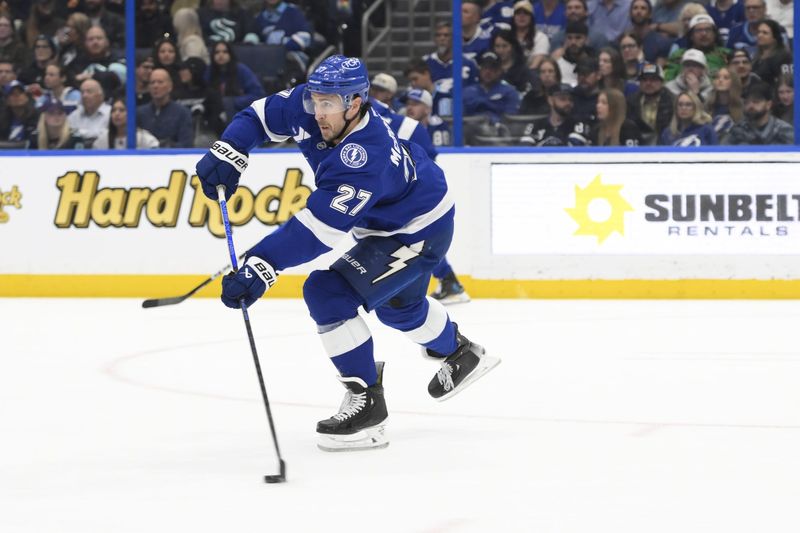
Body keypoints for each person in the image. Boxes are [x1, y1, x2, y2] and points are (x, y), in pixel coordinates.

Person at [194, 55, 500, 451]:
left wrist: (262, 265)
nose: (318, 111)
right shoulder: (312, 104)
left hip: (417, 230)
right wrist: (229, 149)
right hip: (403, 214)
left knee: (327, 293)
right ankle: (462, 353)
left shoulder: (364, 156)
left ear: (355, 103)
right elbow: (259, 115)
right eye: (316, 100)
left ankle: (368, 406)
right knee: (398, 308)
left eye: (328, 104)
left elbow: (319, 230)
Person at [137, 67, 194, 147]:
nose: (155, 86)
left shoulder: (182, 113)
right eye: (152, 82)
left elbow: (186, 144)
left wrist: (166, 146)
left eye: (160, 82)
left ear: (170, 86)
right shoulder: (140, 113)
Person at [206, 41, 266, 116]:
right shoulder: (209, 71)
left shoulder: (241, 69)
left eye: (225, 52)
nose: (221, 55)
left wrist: (234, 102)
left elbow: (258, 95)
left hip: (240, 112)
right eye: (217, 52)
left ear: (230, 54)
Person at [520, 83, 591, 145]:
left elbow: (574, 150)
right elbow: (524, 151)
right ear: (550, 100)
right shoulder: (535, 126)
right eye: (563, 99)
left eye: (570, 99)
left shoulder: (578, 124)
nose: (568, 103)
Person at [724, 80, 794, 144]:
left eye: (756, 102)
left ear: (768, 105)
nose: (750, 106)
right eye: (747, 102)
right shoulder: (737, 131)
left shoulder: (784, 131)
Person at [463, 51, 521, 122]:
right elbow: (461, 119)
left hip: (498, 130)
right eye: (485, 67)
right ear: (480, 69)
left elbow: (511, 119)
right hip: (471, 130)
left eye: (492, 68)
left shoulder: (509, 92)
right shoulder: (468, 92)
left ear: (499, 70)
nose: (488, 72)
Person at [626, 62, 674, 144]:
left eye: (653, 79)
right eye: (644, 79)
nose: (648, 83)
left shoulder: (672, 102)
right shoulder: (630, 102)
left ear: (662, 82)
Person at [93, 97, 160, 149]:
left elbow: (156, 151)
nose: (117, 114)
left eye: (122, 110)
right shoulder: (103, 139)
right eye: (113, 110)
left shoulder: (142, 137)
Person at [704, 66, 743, 141]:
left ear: (734, 82)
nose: (720, 80)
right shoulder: (706, 107)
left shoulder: (743, 107)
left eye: (726, 78)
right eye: (717, 77)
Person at [66, 78, 110, 144]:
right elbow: (66, 133)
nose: (84, 96)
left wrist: (80, 132)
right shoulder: (74, 115)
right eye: (82, 92)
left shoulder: (110, 113)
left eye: (89, 92)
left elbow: (106, 135)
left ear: (101, 95)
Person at [751, 19, 792, 88]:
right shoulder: (756, 56)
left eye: (765, 33)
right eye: (758, 32)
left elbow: (786, 81)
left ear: (774, 37)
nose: (760, 35)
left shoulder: (783, 57)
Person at [509, 0, 550, 69]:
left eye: (526, 13)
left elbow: (535, 65)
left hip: (530, 74)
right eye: (518, 13)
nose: (522, 16)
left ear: (531, 17)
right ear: (513, 17)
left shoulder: (541, 37)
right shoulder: (506, 36)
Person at [0, 80, 39, 144]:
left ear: (26, 97)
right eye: (12, 94)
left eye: (20, 92)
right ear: (7, 101)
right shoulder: (1, 119)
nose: (17, 95)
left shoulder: (36, 116)